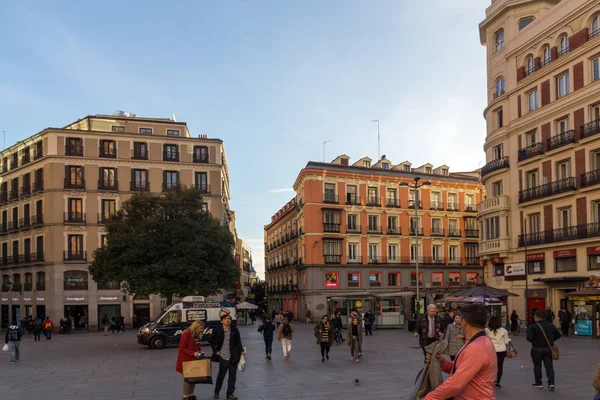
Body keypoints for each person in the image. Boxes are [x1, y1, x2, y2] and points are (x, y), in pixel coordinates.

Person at [423, 304, 497, 400]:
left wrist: (429, 398)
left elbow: (455, 383)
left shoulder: (477, 347)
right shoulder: (478, 342)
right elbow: (462, 368)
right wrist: (442, 362)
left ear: (464, 322)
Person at [210, 313, 245, 400]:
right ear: (221, 321)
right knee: (221, 376)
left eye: (229, 318)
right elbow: (211, 341)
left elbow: (238, 341)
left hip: (233, 356)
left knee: (232, 377)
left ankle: (230, 394)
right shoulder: (218, 330)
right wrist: (215, 351)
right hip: (223, 357)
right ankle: (216, 391)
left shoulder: (234, 329)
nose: (228, 320)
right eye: (225, 319)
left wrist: (241, 351)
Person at [527, 309, 561, 391]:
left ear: (536, 316)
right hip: (548, 348)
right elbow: (558, 335)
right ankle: (551, 383)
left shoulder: (533, 326)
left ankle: (538, 383)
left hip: (536, 349)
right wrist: (551, 340)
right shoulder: (551, 325)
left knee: (537, 366)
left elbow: (529, 338)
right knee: (549, 366)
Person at [176, 320, 205, 400]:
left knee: (193, 378)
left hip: (193, 359)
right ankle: (185, 396)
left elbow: (197, 345)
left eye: (202, 328)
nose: (201, 330)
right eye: (200, 328)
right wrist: (193, 353)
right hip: (186, 359)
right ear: (195, 327)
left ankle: (191, 394)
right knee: (187, 379)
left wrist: (201, 350)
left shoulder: (196, 334)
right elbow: (182, 348)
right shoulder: (186, 333)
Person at [485, 316, 510, 389]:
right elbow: (506, 341)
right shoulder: (504, 330)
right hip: (501, 350)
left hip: (490, 350)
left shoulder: (486, 330)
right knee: (500, 366)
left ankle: (491, 380)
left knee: (490, 366)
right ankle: (498, 382)